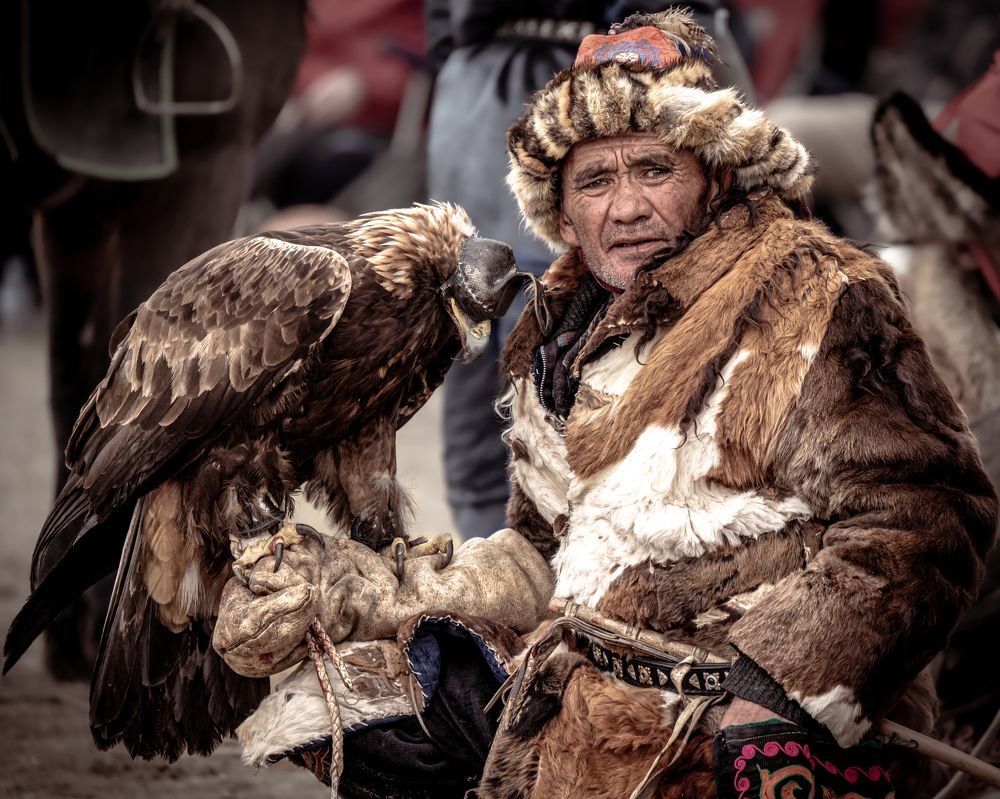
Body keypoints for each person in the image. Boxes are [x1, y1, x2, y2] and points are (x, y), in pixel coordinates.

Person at [218, 9, 997, 798]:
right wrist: (372, 594)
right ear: (561, 209)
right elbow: (546, 554)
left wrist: (775, 690)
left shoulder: (818, 294)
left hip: (746, 720)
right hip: (593, 697)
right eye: (596, 179)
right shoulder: (556, 329)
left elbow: (929, 519)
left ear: (716, 175)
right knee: (345, 701)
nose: (625, 208)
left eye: (654, 170)